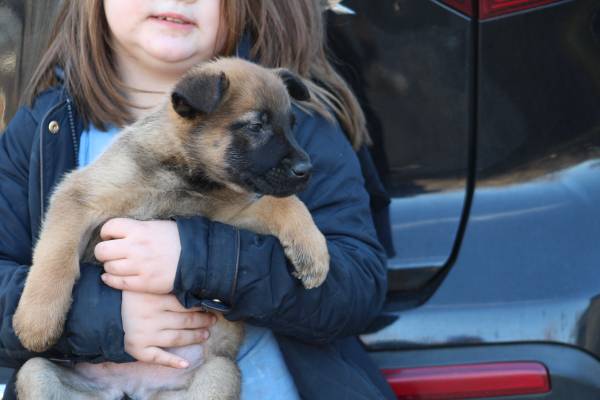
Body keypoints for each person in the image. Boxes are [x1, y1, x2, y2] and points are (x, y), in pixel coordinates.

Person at [0, 0, 394, 398]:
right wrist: (107, 318)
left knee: (219, 377)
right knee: (37, 377)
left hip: (228, 383)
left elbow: (356, 289)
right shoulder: (41, 128)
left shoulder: (302, 131)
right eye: (254, 127)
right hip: (82, 382)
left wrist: (194, 257)